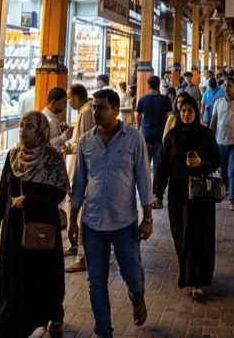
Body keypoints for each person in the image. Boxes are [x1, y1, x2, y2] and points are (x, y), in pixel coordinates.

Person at [68, 88, 153, 337]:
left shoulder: (134, 139)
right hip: (92, 223)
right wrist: (73, 221)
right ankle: (103, 330)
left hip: (124, 223)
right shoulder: (86, 141)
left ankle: (137, 298)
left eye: (101, 107)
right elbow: (79, 184)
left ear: (116, 110)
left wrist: (148, 218)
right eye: (93, 107)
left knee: (133, 275)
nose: (95, 112)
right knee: (96, 283)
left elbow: (143, 181)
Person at [0, 111, 69, 338]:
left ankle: (53, 316)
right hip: (14, 228)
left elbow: (59, 192)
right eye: (22, 126)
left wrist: (31, 201)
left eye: (29, 127)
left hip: (42, 226)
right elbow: (4, 191)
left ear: (40, 130)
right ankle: (13, 324)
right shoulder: (14, 155)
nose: (23, 130)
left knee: (45, 275)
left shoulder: (52, 157)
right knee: (13, 276)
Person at [153, 93, 220, 299]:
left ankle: (196, 281)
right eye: (183, 111)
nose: (187, 114)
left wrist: (201, 164)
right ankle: (188, 273)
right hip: (178, 195)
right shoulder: (172, 137)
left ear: (196, 112)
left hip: (200, 195)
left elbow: (216, 160)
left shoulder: (206, 135)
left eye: (190, 111)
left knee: (200, 236)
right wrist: (158, 194)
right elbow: (162, 166)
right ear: (178, 112)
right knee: (182, 235)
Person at [64, 83, 93, 273]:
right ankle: (76, 246)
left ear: (76, 97)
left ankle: (81, 256)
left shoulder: (85, 112)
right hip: (80, 165)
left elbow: (82, 142)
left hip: (81, 166)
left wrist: (68, 148)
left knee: (78, 208)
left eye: (69, 98)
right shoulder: (86, 111)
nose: (68, 102)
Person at [209, 76, 234, 210]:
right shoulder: (218, 103)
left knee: (233, 170)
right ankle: (227, 188)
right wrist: (209, 139)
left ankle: (232, 199)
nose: (226, 88)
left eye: (229, 86)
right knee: (223, 171)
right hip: (220, 142)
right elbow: (213, 123)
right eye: (225, 85)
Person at [136, 75, 173, 191]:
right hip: (160, 137)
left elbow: (137, 115)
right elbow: (170, 116)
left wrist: (138, 127)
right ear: (159, 85)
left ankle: (145, 189)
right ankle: (156, 189)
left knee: (145, 165)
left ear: (148, 85)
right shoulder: (165, 99)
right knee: (158, 166)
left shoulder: (142, 99)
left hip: (146, 135)